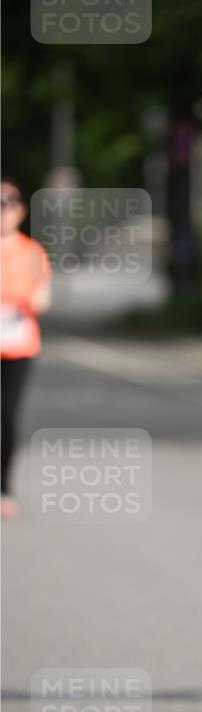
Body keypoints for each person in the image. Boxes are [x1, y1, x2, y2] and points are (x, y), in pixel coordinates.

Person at [1, 177, 51, 518]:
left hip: (18, 345)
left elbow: (42, 299)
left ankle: (4, 487)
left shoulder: (32, 252)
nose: (4, 211)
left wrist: (17, 299)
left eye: (10, 203)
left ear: (20, 210)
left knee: (8, 415)